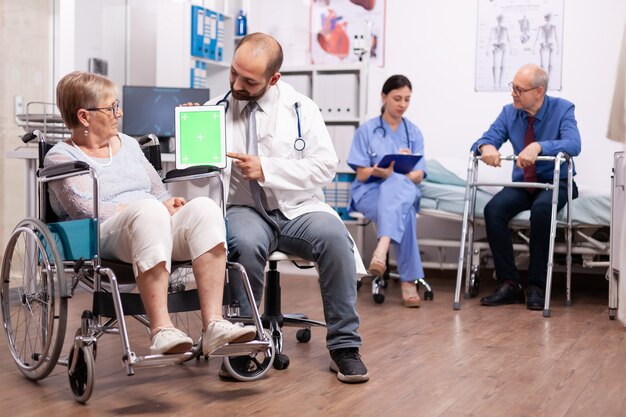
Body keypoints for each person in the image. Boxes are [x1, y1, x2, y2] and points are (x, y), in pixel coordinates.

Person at [45, 71, 256, 358]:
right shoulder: (61, 157)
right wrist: (144, 209)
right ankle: (161, 330)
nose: (119, 112)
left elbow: (157, 192)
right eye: (111, 107)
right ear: (84, 116)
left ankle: (214, 324)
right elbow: (83, 207)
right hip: (102, 234)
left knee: (204, 208)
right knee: (147, 211)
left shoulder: (130, 145)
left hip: (151, 222)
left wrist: (170, 205)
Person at [206, 32, 369, 383]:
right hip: (244, 208)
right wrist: (191, 132)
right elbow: (196, 171)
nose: (236, 84)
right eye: (234, 73)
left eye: (249, 81)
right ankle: (245, 344)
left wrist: (268, 168)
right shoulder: (214, 111)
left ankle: (344, 348)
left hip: (298, 209)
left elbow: (326, 165)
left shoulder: (301, 109)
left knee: (336, 239)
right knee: (245, 245)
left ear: (274, 79)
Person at [471, 63, 581, 310]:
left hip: (556, 182)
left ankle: (537, 286)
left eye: (519, 89)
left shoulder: (563, 109)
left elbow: (574, 144)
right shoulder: (509, 112)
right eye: (513, 87)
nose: (513, 93)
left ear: (538, 92)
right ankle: (510, 283)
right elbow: (487, 138)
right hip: (524, 183)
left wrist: (540, 146)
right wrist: (485, 147)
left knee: (542, 211)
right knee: (494, 211)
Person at [346, 74, 427, 308]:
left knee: (399, 184)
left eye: (407, 100)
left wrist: (396, 175)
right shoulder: (367, 131)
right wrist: (380, 172)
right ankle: (408, 283)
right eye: (397, 98)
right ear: (384, 97)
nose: (402, 104)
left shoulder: (414, 132)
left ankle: (381, 249)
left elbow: (419, 174)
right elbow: (361, 174)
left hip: (401, 189)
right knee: (406, 210)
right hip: (370, 192)